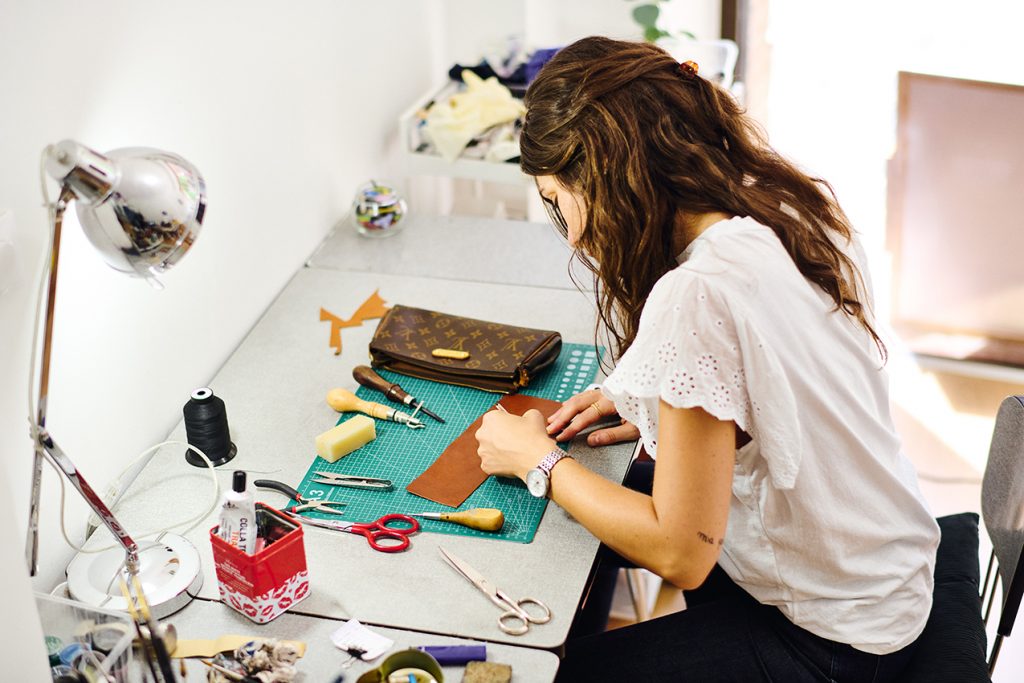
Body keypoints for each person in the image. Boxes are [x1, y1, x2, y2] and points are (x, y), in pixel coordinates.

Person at [474, 36, 940, 681]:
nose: (572, 234)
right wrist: (660, 392)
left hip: (838, 636)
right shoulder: (785, 203)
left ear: (607, 180)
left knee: (551, 671)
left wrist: (539, 462)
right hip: (887, 561)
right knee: (600, 500)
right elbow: (779, 374)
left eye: (558, 200)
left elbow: (681, 551)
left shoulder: (694, 295)